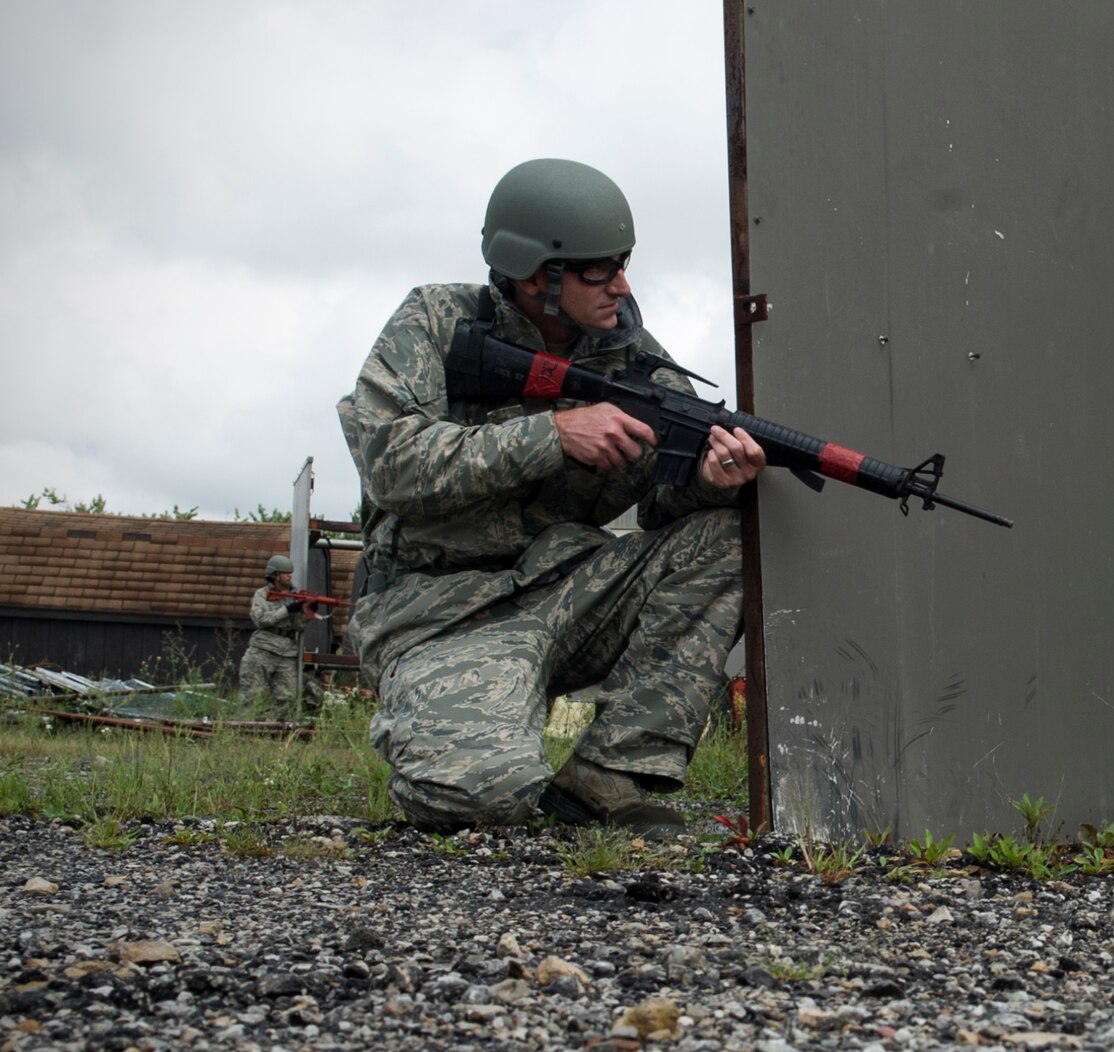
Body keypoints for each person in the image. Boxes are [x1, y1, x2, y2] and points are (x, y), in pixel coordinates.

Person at [336, 157, 765, 837]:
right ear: (538, 273)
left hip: (571, 586)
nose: (622, 285)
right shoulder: (433, 322)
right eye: (601, 268)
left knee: (728, 537)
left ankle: (612, 780)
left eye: (623, 262)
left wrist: (709, 482)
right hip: (438, 613)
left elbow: (662, 510)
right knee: (482, 800)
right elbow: (392, 463)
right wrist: (552, 435)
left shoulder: (636, 359)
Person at [239, 554, 324, 714]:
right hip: (263, 649)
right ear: (275, 575)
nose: (289, 576)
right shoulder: (262, 594)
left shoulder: (294, 595)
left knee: (287, 696)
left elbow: (298, 625)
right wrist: (287, 610)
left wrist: (309, 612)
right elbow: (261, 619)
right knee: (251, 695)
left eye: (290, 573)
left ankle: (275, 729)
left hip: (287, 652)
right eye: (285, 573)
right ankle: (245, 729)